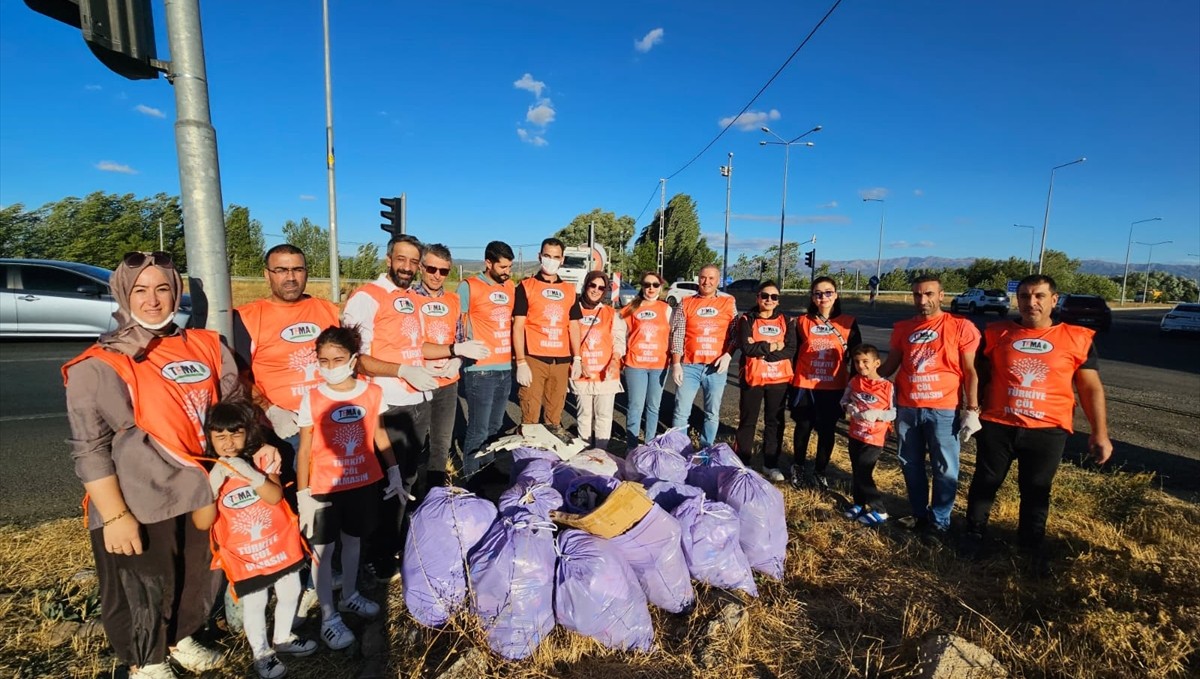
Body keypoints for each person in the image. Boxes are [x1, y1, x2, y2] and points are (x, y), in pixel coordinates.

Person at [63, 251, 249, 678]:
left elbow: (234, 405)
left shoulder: (206, 345)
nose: (152, 300)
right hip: (138, 498)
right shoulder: (100, 363)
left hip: (199, 488)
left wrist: (255, 445)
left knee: (195, 574)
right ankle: (146, 661)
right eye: (140, 290)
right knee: (143, 586)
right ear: (124, 294)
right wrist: (115, 516)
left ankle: (179, 637)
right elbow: (89, 448)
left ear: (176, 293)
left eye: (163, 288)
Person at [962, 274, 1112, 574]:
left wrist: (1100, 433)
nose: (1032, 302)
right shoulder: (996, 332)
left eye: (1040, 296)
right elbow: (976, 373)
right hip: (998, 423)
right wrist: (971, 410)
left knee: (1036, 489)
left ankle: (1030, 546)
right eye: (1025, 296)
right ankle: (972, 535)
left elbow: (1090, 388)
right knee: (985, 482)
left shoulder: (1077, 337)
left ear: (1054, 300)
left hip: (1048, 429)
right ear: (1017, 300)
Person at [295, 326, 404, 650]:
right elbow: (304, 449)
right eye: (323, 360)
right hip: (324, 489)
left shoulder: (371, 392)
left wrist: (394, 471)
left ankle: (350, 595)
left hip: (362, 483)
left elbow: (379, 434)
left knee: (354, 541)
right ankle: (328, 616)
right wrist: (303, 495)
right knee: (323, 553)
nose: (330, 366)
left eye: (337, 359)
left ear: (353, 359)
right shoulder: (312, 397)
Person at [193, 401, 316, 679]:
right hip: (244, 553)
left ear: (248, 433)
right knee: (256, 602)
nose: (228, 443)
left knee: (290, 591)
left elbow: (274, 497)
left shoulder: (261, 458)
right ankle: (261, 653)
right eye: (220, 436)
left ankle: (282, 637)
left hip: (278, 543)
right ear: (209, 438)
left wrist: (247, 472)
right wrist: (214, 481)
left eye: (236, 434)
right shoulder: (205, 469)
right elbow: (202, 522)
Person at [341, 234, 439, 579]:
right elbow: (356, 357)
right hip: (387, 401)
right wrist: (400, 370)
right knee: (388, 480)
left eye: (415, 262)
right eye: (402, 260)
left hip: (417, 399)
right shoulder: (367, 298)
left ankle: (392, 543)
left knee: (408, 477)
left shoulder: (413, 298)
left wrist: (455, 352)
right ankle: (377, 556)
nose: (408, 268)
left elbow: (418, 346)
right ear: (388, 259)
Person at [878, 274, 981, 538]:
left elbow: (970, 371)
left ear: (941, 295)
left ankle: (940, 520)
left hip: (944, 409)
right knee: (910, 463)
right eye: (917, 295)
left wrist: (972, 409)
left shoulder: (961, 326)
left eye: (928, 294)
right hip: (907, 408)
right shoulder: (903, 328)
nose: (922, 300)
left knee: (945, 467)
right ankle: (919, 513)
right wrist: (862, 378)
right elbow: (890, 366)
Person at [232, 244, 339, 460]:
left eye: (297, 270)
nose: (290, 277)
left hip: (330, 418)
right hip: (284, 428)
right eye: (281, 270)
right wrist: (270, 410)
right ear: (267, 274)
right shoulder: (247, 317)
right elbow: (237, 376)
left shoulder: (328, 310)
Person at [412, 243, 490, 487]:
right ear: (421, 268)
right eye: (432, 269)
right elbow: (404, 342)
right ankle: (408, 492)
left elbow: (461, 337)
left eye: (443, 271)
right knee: (413, 443)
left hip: (447, 383)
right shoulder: (407, 300)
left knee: (442, 441)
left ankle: (435, 490)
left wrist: (457, 360)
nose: (437, 275)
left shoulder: (453, 300)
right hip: (416, 381)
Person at [790, 276, 861, 489]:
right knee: (803, 427)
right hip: (805, 385)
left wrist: (856, 386)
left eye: (828, 292)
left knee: (827, 430)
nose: (823, 297)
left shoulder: (848, 322)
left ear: (836, 295)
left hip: (834, 386)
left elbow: (857, 357)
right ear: (812, 297)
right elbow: (793, 354)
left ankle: (820, 471)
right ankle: (798, 467)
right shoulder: (802, 321)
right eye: (818, 293)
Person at [512, 237, 582, 442]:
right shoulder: (526, 286)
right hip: (534, 358)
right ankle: (527, 464)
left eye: (556, 257)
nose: (551, 260)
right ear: (540, 256)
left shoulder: (569, 290)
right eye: (547, 256)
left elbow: (574, 325)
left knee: (554, 416)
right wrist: (521, 361)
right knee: (530, 416)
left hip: (561, 361)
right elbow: (518, 326)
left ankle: (549, 465)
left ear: (562, 259)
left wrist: (577, 358)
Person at [456, 240, 516, 475]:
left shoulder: (510, 287)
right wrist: (460, 351)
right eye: (502, 267)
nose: (507, 273)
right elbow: (456, 322)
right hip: (479, 370)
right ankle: (472, 478)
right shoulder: (469, 287)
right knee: (478, 430)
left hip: (504, 368)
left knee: (495, 428)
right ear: (488, 263)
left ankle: (488, 471)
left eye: (509, 267)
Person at [733, 281, 797, 482]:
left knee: (775, 422)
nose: (769, 300)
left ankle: (771, 463)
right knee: (748, 420)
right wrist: (775, 345)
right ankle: (744, 462)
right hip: (753, 378)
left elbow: (791, 349)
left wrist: (764, 351)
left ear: (778, 301)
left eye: (774, 297)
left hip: (778, 379)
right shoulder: (746, 319)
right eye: (765, 296)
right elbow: (746, 347)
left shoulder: (787, 321)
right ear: (757, 298)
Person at [670, 264, 738, 448]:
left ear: (718, 281)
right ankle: (679, 451)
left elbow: (735, 334)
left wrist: (728, 355)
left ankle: (706, 451)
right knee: (681, 412)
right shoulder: (686, 302)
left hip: (715, 368)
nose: (706, 282)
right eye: (703, 277)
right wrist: (676, 363)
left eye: (711, 278)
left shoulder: (728, 302)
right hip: (689, 366)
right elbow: (678, 334)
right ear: (698, 278)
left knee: (712, 413)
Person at [570, 270, 627, 450]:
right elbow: (567, 339)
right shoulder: (573, 310)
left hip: (606, 374)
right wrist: (578, 361)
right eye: (592, 285)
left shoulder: (610, 313)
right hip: (582, 372)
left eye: (601, 288)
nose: (596, 290)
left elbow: (619, 341)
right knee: (584, 416)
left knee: (603, 416)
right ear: (585, 285)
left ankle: (600, 454)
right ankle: (585, 452)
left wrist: (614, 360)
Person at [840, 344, 896, 526]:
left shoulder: (887, 387)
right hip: (856, 434)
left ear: (876, 363)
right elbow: (845, 399)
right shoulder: (855, 381)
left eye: (865, 362)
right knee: (856, 471)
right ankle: (859, 504)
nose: (861, 366)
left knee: (864, 472)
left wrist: (878, 414)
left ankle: (880, 510)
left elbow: (894, 412)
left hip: (874, 438)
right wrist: (849, 407)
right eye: (857, 362)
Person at [620, 271, 671, 448]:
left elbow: (675, 335)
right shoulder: (631, 308)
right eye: (647, 284)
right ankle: (631, 447)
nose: (651, 288)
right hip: (636, 365)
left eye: (655, 285)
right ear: (641, 286)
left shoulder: (666, 309)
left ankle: (650, 444)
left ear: (661, 286)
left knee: (653, 407)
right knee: (635, 407)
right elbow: (619, 334)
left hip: (659, 365)